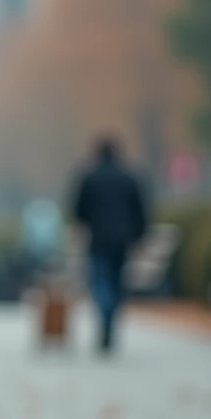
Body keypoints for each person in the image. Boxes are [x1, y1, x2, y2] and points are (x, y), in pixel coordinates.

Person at [70, 136, 148, 354]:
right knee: (116, 281)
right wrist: (139, 235)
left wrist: (83, 227)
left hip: (98, 239)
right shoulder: (129, 177)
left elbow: (79, 210)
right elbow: (139, 209)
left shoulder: (89, 176)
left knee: (100, 280)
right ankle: (110, 319)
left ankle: (104, 317)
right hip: (122, 239)